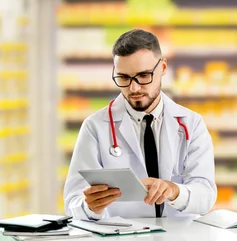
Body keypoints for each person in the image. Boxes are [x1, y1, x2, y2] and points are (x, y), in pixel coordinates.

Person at [63, 29, 217, 219]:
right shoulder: (95, 127)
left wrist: (174, 191)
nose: (133, 88)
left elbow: (206, 196)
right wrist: (89, 207)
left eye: (144, 76)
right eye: (124, 78)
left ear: (163, 68)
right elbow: (72, 202)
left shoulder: (191, 124)